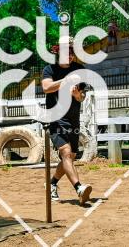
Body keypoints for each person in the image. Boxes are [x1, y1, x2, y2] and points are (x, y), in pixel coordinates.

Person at [41, 46, 93, 205]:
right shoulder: (50, 69)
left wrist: (77, 95)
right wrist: (65, 81)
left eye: (71, 54)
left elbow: (82, 96)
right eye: (66, 54)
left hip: (73, 119)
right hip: (56, 118)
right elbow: (46, 88)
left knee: (71, 157)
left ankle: (52, 184)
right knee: (66, 152)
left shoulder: (79, 69)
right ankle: (79, 188)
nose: (69, 56)